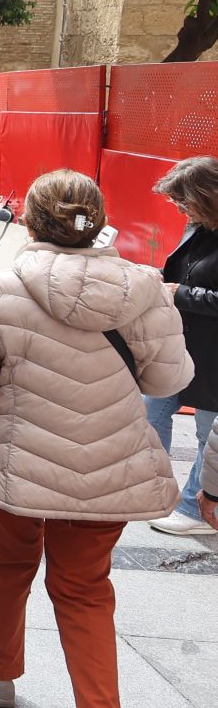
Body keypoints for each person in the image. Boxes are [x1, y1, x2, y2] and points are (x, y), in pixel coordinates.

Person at [0, 170, 191, 708]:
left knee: (5, 564)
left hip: (18, 468)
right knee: (85, 590)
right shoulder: (145, 287)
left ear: (29, 221)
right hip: (109, 469)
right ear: (97, 220)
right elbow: (169, 380)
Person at [145, 156, 218, 535]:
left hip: (212, 354)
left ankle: (196, 510)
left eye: (184, 201)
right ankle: (151, 491)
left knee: (209, 434)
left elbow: (194, 287)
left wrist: (181, 293)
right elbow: (186, 270)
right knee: (149, 412)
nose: (179, 209)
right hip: (181, 342)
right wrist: (157, 278)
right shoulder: (200, 225)